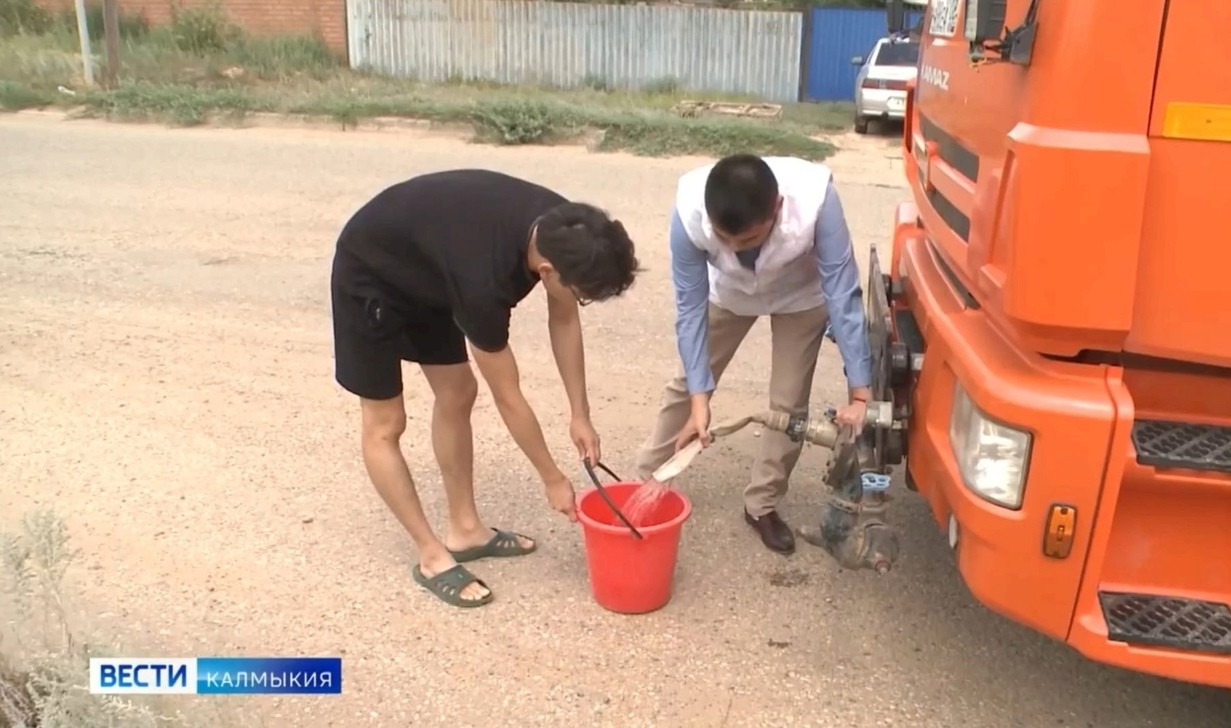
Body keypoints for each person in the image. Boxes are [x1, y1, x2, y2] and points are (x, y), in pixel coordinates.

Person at [329, 169, 639, 608]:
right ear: (547, 272)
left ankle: (466, 531)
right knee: (385, 423)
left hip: (432, 268)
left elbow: (565, 317)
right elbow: (509, 398)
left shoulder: (566, 231)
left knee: (457, 391)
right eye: (582, 293)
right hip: (373, 272)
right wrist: (552, 478)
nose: (578, 301)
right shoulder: (483, 283)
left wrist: (580, 413)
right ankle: (432, 555)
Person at [634, 154, 873, 555]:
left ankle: (761, 505)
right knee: (684, 387)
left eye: (745, 241)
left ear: (777, 208)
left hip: (801, 295)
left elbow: (842, 293)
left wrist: (860, 393)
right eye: (722, 239)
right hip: (726, 295)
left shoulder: (816, 201)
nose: (731, 248)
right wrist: (700, 397)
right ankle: (646, 484)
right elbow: (690, 307)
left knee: (789, 402)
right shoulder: (690, 209)